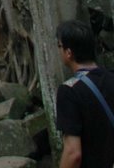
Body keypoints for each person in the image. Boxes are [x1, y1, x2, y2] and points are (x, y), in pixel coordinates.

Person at [55, 19, 114, 168]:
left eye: (59, 46)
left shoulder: (69, 91)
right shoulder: (111, 78)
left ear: (69, 53)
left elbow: (73, 153)